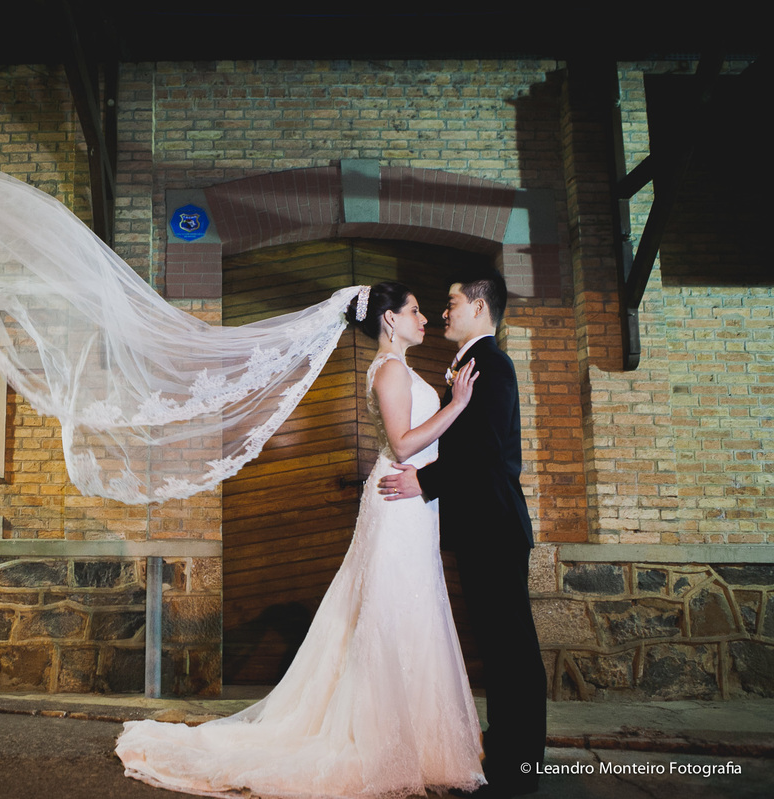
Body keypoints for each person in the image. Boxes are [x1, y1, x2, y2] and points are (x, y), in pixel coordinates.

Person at [116, 282, 486, 798]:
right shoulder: (392, 369)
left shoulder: (393, 366)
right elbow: (404, 444)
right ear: (389, 320)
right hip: (399, 501)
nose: (424, 319)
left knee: (407, 609)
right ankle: (386, 741)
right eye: (415, 311)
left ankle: (416, 740)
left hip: (410, 503)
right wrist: (459, 404)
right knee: (395, 610)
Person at [378, 269, 547, 798]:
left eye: (451, 302)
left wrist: (423, 483)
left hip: (494, 526)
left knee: (512, 646)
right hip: (479, 527)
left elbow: (486, 453)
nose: (443, 312)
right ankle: (505, 750)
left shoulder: (492, 365)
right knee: (497, 644)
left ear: (478, 307)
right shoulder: (470, 366)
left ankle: (522, 766)